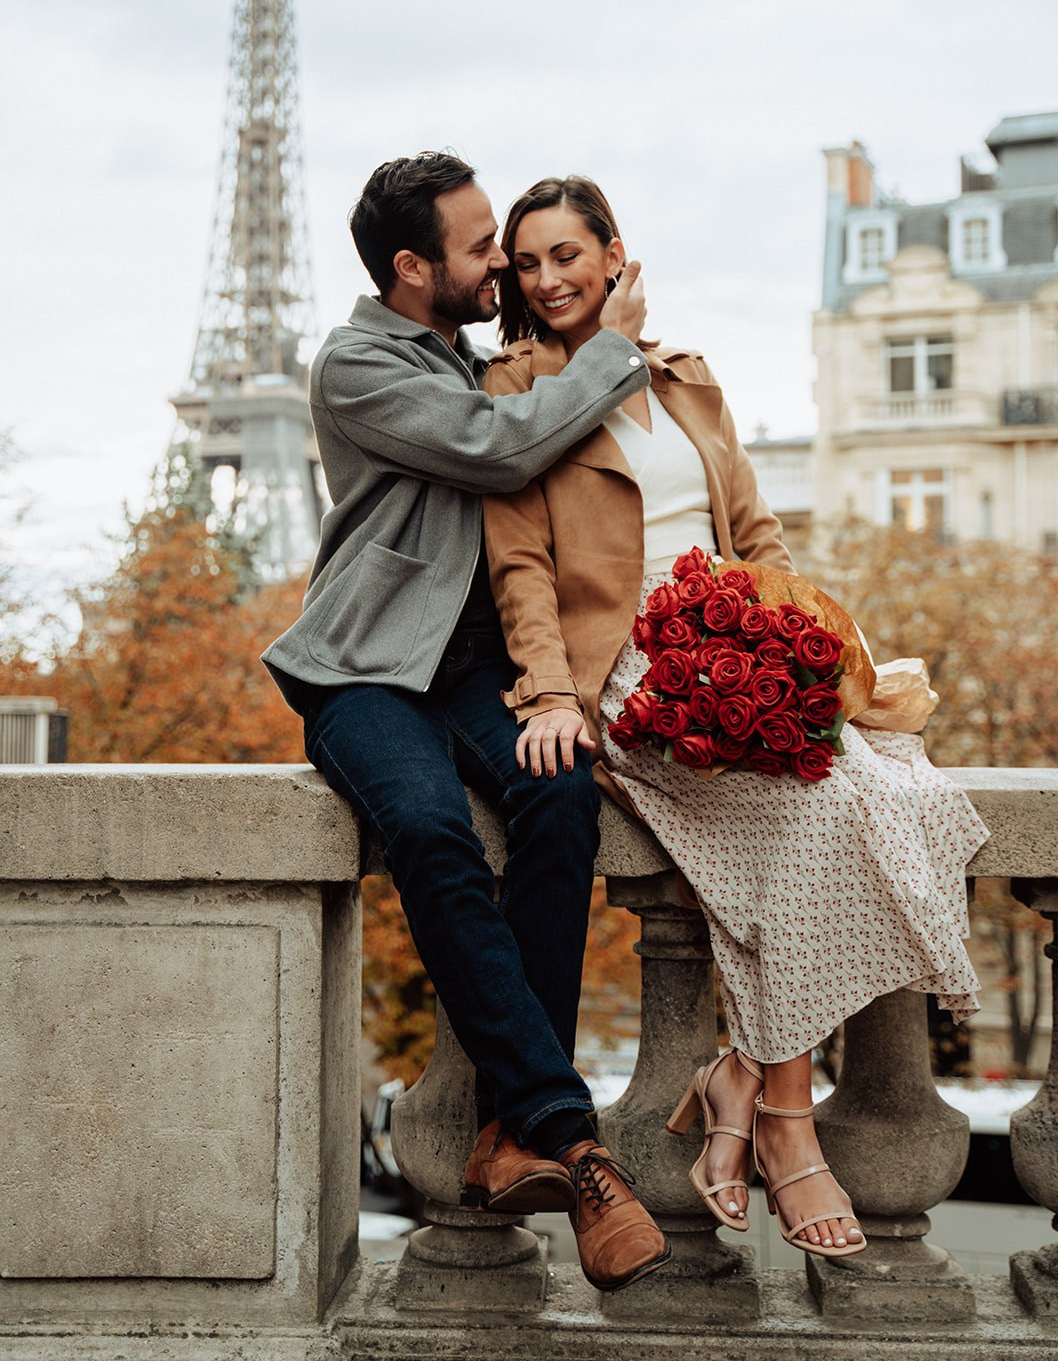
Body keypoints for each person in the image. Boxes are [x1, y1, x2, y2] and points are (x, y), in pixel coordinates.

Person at [481, 174, 989, 1261]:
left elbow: (758, 535)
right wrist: (551, 692)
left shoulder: (687, 378)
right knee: (812, 819)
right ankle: (785, 1123)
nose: (546, 279)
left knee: (895, 793)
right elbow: (521, 568)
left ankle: (740, 1075)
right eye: (526, 263)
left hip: (733, 640)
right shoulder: (517, 389)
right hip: (629, 671)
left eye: (567, 255)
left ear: (615, 255)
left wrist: (788, 643)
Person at [262, 152, 671, 1292]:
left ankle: (508, 1132)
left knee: (558, 794)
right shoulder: (356, 364)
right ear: (409, 267)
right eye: (481, 244)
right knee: (432, 833)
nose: (501, 261)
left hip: (469, 670)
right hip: (362, 672)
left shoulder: (467, 350)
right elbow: (500, 448)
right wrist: (611, 354)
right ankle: (571, 1140)